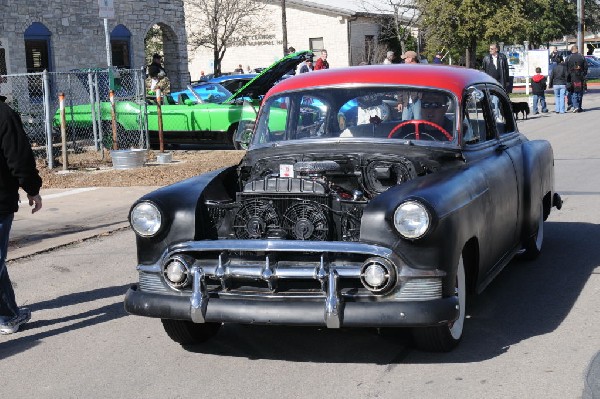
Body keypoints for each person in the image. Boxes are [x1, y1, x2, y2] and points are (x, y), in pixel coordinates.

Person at [0, 97, 43, 335]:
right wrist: (32, 189)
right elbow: (18, 158)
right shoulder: (4, 115)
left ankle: (8, 315)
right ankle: (7, 318)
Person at [566, 45, 588, 113]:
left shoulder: (568, 58)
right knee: (580, 92)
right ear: (577, 49)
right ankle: (579, 106)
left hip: (572, 77)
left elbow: (566, 68)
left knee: (574, 92)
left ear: (572, 50)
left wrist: (568, 76)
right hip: (580, 77)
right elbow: (586, 67)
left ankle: (575, 106)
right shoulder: (582, 57)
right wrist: (583, 73)